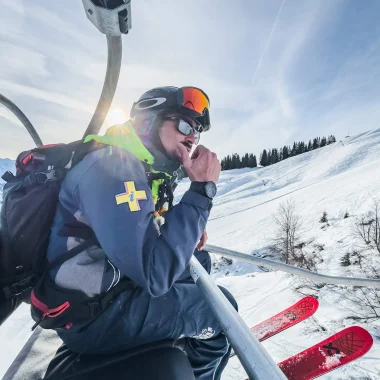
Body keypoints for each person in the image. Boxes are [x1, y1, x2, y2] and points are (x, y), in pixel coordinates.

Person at [33, 86, 237, 380]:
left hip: (110, 288)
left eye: (196, 131)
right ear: (148, 122)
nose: (192, 137)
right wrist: (202, 191)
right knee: (221, 310)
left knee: (199, 265)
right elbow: (155, 273)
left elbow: (139, 229)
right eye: (183, 124)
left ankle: (178, 338)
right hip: (90, 316)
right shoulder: (113, 167)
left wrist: (188, 228)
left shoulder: (136, 166)